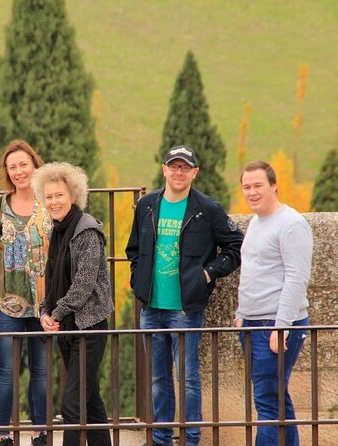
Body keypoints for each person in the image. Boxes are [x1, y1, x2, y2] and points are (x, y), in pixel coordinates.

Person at [125, 146, 243, 446]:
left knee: (188, 379)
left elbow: (235, 246)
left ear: (194, 172)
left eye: (185, 168)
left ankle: (191, 439)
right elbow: (134, 249)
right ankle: (162, 438)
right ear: (164, 169)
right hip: (151, 307)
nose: (178, 172)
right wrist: (139, 280)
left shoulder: (207, 209)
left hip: (186, 309)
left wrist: (208, 273)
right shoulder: (147, 205)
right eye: (173, 166)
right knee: (157, 378)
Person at [33, 162, 113, 446]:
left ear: (73, 196)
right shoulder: (56, 231)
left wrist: (55, 313)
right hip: (68, 326)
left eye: (59, 195)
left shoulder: (87, 231)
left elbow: (83, 286)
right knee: (90, 402)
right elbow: (51, 277)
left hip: (89, 327)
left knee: (72, 404)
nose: (53, 202)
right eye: (49, 196)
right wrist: (44, 312)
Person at [235, 161, 313, 446]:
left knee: (268, 400)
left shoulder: (291, 224)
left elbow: (296, 277)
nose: (252, 192)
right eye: (247, 187)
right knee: (274, 398)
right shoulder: (257, 222)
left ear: (274, 186)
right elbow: (253, 270)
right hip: (254, 323)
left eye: (258, 186)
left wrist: (281, 327)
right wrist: (241, 313)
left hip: (276, 324)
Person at [0, 140, 52, 446]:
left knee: (40, 370)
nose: (19, 171)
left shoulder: (49, 202)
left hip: (44, 304)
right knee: (6, 370)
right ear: (7, 172)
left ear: (35, 165)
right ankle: (2, 436)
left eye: (23, 164)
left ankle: (40, 433)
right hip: (7, 302)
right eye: (12, 167)